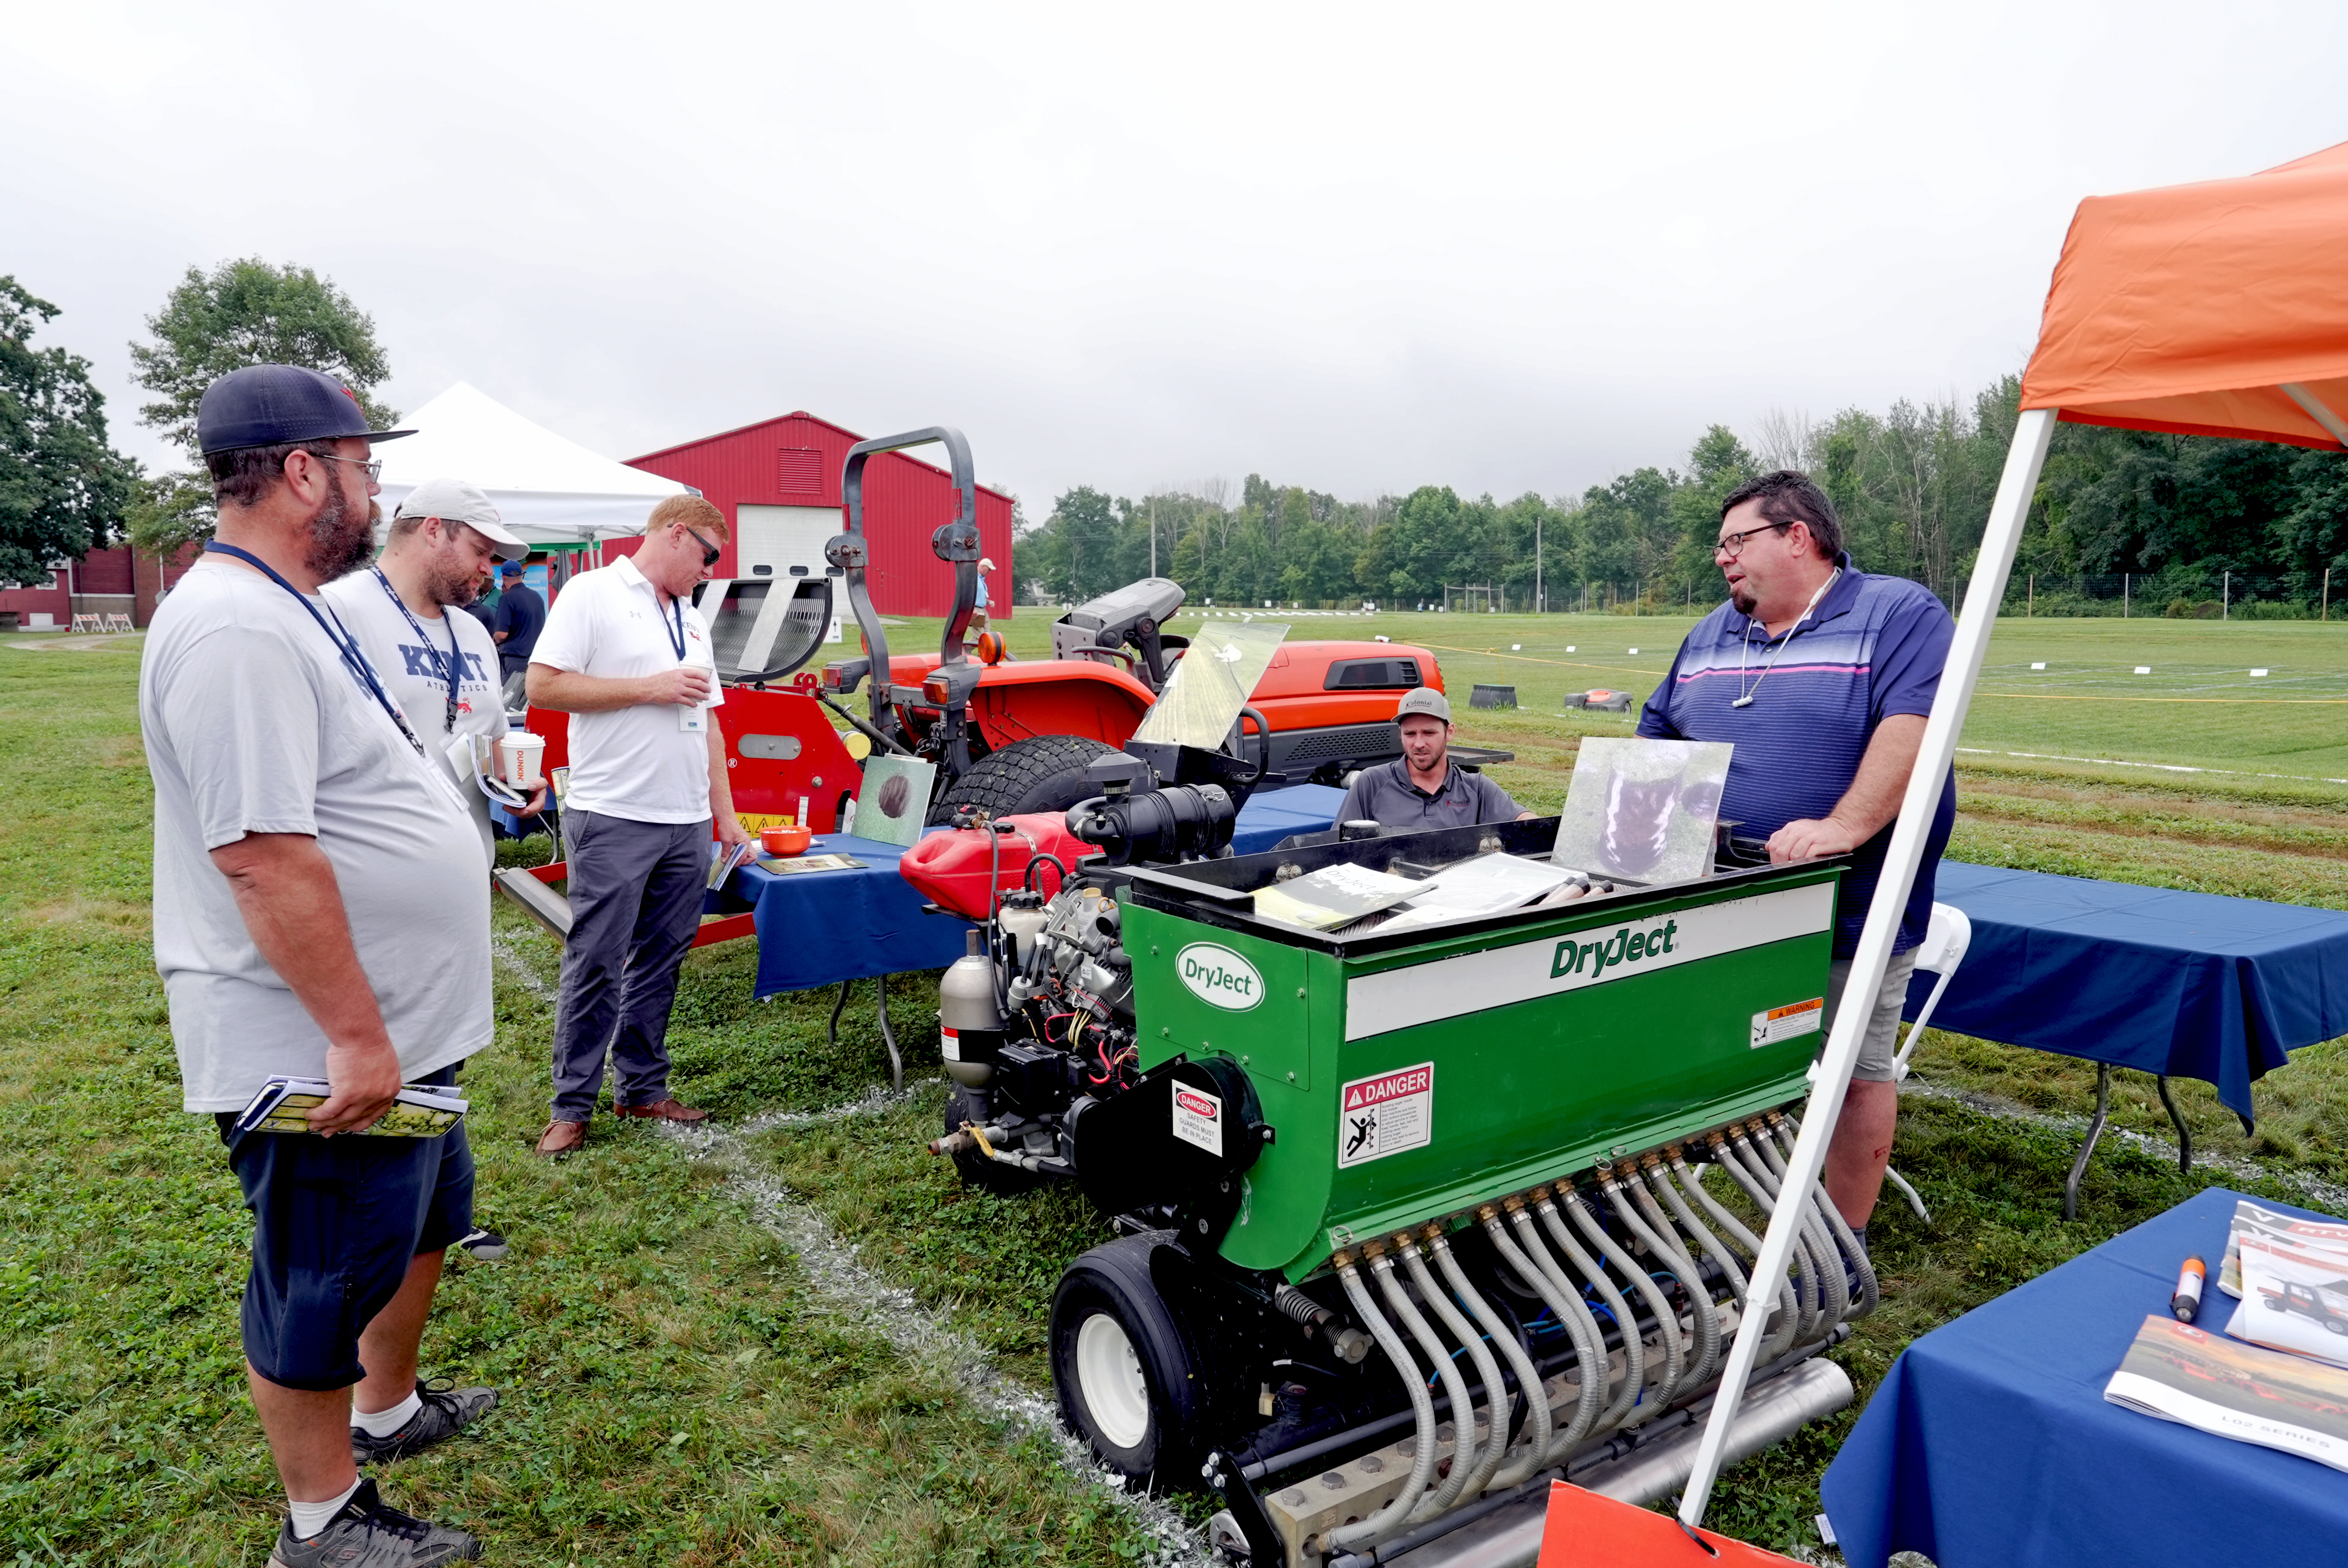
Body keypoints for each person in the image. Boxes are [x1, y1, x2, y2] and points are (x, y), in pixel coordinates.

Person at [139, 364, 495, 1564]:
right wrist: (353, 1033)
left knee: (418, 1222)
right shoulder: (234, 623)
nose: (375, 487)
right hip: (321, 1041)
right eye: (364, 465)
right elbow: (263, 856)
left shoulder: (281, 601)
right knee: (321, 1272)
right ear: (304, 471)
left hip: (392, 1019)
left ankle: (386, 1413)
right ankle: (322, 1523)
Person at [1636, 468, 1955, 1247]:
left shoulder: (1897, 613)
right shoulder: (1713, 632)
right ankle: (1692, 1209)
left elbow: (1917, 733)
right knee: (1702, 1057)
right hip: (1724, 904)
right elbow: (1657, 738)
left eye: (1735, 541)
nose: (1722, 559)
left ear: (1797, 538)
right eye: (1719, 546)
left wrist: (1843, 825)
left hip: (1851, 902)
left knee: (1854, 1067)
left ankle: (1843, 1239)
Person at [526, 494, 754, 1156]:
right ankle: (572, 1106)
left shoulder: (690, 616)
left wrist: (725, 815)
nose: (711, 571)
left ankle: (642, 1089)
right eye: (708, 556)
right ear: (675, 536)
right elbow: (543, 686)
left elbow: (707, 718)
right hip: (614, 812)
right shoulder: (591, 593)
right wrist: (647, 689)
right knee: (596, 960)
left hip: (685, 821)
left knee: (661, 958)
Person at [323, 478, 545, 863]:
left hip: (469, 879)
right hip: (372, 885)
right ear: (433, 530)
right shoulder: (336, 612)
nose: (487, 570)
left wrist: (514, 779)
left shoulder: (473, 632)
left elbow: (484, 740)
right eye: (480, 551)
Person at [1336, 686, 1538, 829]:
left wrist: (1540, 827)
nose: (1419, 744)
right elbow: (1339, 844)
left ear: (1450, 732)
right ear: (1400, 734)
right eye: (1410, 734)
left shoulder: (1475, 787)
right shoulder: (1371, 782)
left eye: (1429, 733)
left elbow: (1524, 820)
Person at [491, 558, 547, 708]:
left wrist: (493, 639)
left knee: (510, 705)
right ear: (523, 576)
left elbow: (502, 634)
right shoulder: (537, 597)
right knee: (529, 705)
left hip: (514, 661)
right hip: (535, 660)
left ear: (503, 577)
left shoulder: (507, 599)